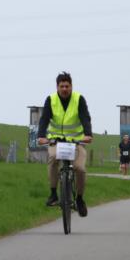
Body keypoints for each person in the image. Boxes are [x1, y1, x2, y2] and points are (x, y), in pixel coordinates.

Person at [36, 71, 93, 216]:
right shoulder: (51, 100)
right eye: (62, 86)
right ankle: (54, 193)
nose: (65, 89)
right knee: (53, 158)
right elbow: (44, 119)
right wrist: (41, 136)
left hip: (76, 141)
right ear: (57, 87)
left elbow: (85, 117)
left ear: (71, 86)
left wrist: (88, 134)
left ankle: (80, 199)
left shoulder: (79, 99)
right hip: (56, 140)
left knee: (79, 168)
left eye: (67, 86)